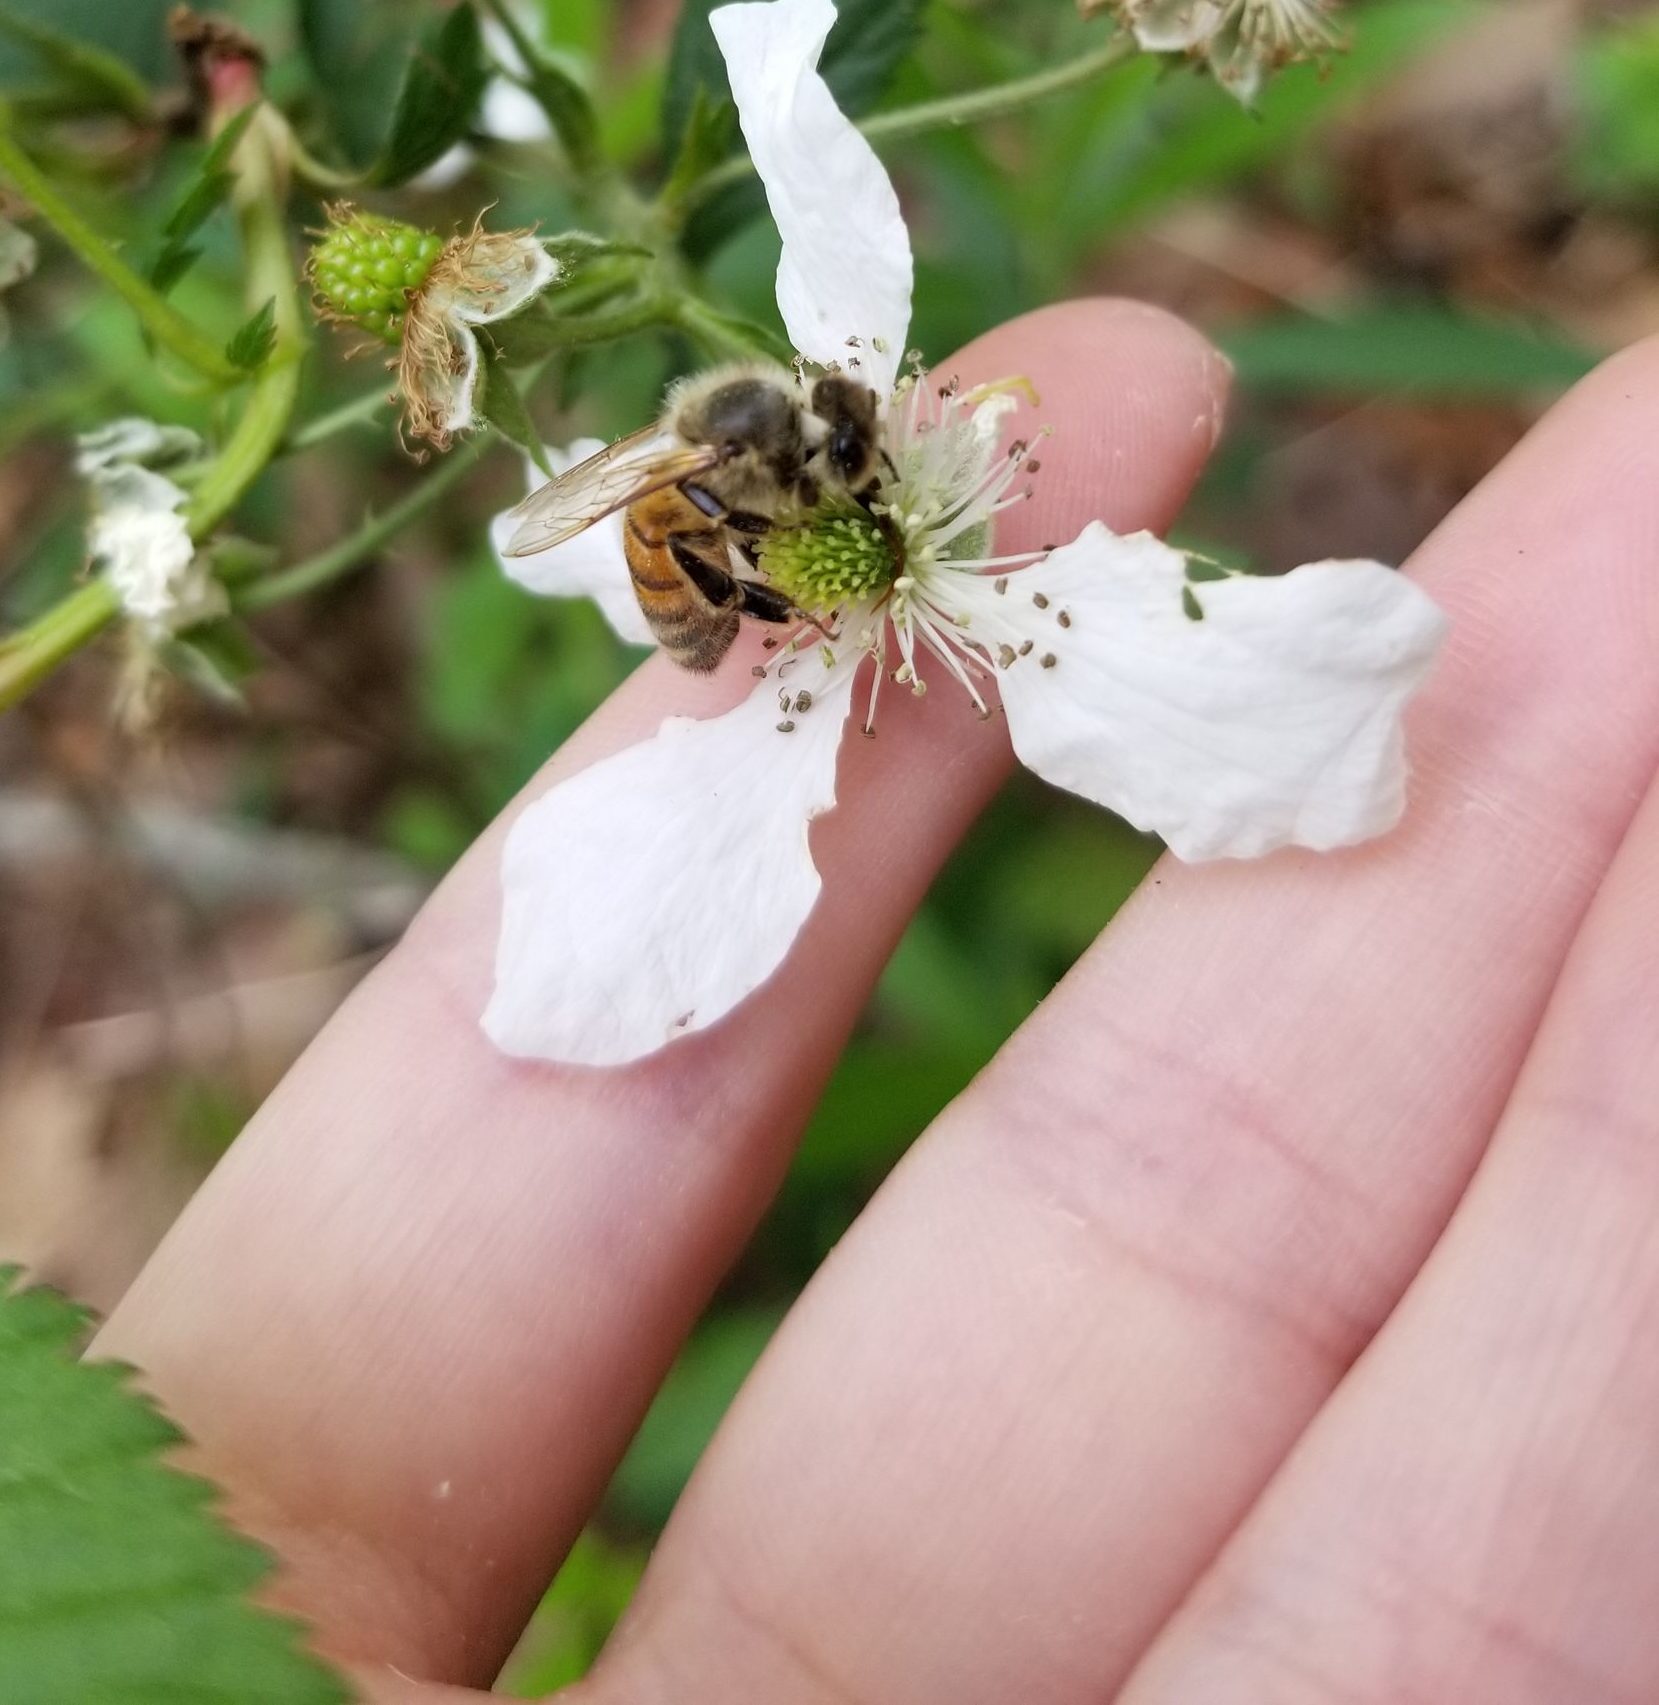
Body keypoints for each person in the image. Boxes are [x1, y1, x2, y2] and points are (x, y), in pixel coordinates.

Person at [101, 299, 1659, 1703]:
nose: (843, 508)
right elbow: (664, 528)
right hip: (737, 624)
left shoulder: (849, 494)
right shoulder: (776, 531)